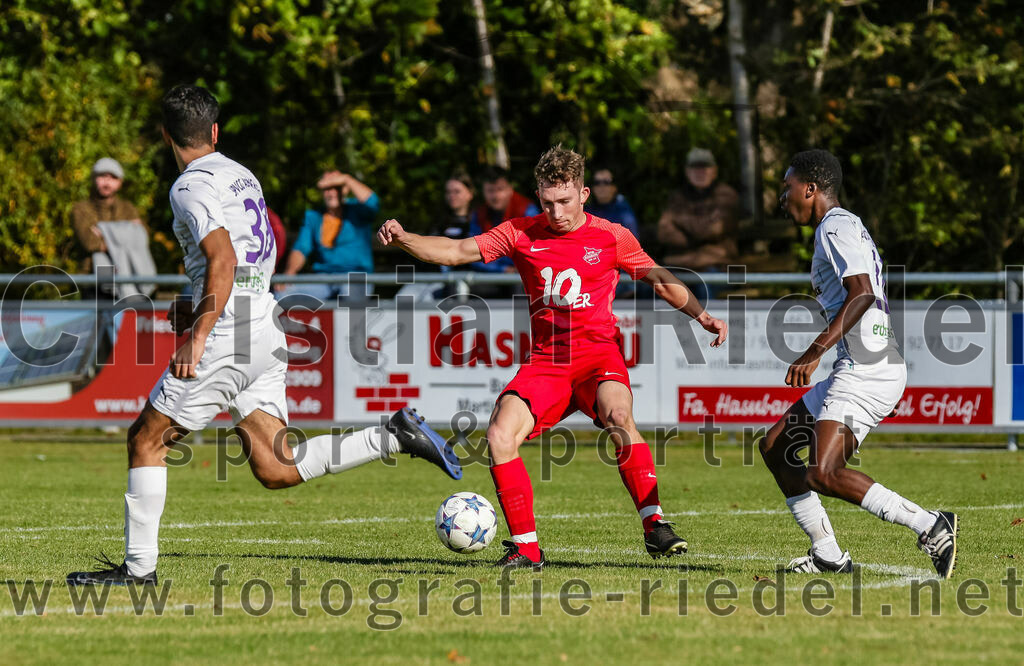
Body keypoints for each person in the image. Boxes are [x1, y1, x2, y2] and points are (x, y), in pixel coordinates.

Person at [66, 85, 461, 586]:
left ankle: (139, 570)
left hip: (230, 329)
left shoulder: (188, 186)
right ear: (214, 130)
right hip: (264, 321)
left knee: (146, 440)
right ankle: (391, 435)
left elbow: (224, 259)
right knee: (276, 467)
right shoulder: (242, 175)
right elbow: (251, 257)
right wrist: (199, 299)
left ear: (166, 134)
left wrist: (200, 332)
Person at [378, 145, 728, 568]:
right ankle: (526, 548)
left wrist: (701, 314)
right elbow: (455, 252)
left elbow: (657, 277)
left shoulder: (612, 235)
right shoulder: (521, 231)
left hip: (599, 356)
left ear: (583, 194)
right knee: (499, 436)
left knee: (619, 416)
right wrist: (404, 238)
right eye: (547, 202)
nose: (556, 212)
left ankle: (654, 524)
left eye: (564, 201)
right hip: (547, 362)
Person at [759, 149, 957, 578]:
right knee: (775, 446)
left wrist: (814, 351)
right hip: (864, 363)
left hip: (867, 367)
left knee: (823, 471)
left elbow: (862, 292)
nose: (782, 196)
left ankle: (929, 525)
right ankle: (828, 552)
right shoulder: (842, 225)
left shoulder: (835, 225)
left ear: (810, 189)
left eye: (787, 185)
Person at [277, 170, 379, 301]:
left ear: (345, 189)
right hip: (324, 279)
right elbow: (301, 248)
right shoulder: (313, 216)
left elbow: (373, 203)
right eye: (327, 188)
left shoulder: (358, 211)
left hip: (355, 277)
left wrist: (347, 179)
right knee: (283, 293)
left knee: (349, 293)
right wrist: (289, 273)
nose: (331, 193)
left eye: (336, 187)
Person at [656, 148, 739, 300]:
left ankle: (707, 324)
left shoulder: (726, 195)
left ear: (714, 171)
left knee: (702, 286)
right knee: (655, 285)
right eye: (695, 168)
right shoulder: (677, 197)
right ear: (687, 172)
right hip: (681, 266)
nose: (700, 172)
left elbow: (711, 230)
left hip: (718, 267)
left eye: (705, 167)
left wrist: (677, 219)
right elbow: (664, 233)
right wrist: (700, 230)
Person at [72, 157, 144, 273]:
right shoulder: (80, 209)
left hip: (127, 272)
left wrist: (103, 233)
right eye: (102, 176)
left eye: (113, 177)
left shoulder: (128, 208)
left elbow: (140, 238)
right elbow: (89, 243)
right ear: (93, 178)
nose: (107, 182)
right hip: (91, 276)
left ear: (120, 182)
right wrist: (125, 232)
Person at [466, 166, 540, 274]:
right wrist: (502, 269)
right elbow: (472, 254)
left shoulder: (527, 211)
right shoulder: (479, 214)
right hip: (493, 276)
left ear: (510, 189)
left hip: (521, 274)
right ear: (483, 192)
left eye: (500, 189)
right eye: (490, 191)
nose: (495, 196)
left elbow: (535, 250)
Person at [584, 166, 639, 238]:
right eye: (597, 183)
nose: (601, 186)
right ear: (593, 188)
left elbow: (633, 240)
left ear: (614, 187)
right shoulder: (586, 211)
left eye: (606, 182)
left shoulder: (623, 211)